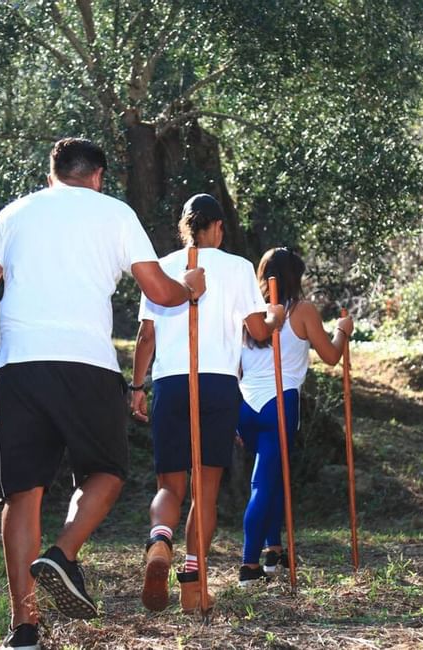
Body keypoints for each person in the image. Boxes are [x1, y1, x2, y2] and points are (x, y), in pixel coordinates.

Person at [0, 137, 206, 650]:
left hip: (19, 368)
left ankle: (24, 628)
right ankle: (63, 552)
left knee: (21, 493)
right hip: (86, 366)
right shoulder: (114, 213)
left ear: (52, 173)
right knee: (108, 473)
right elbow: (159, 292)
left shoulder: (15, 213)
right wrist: (190, 288)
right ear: (97, 175)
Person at [129, 194, 284, 614]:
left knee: (169, 485)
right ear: (216, 226)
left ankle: (160, 540)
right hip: (217, 383)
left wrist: (137, 386)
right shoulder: (236, 268)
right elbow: (258, 332)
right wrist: (275, 317)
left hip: (171, 382)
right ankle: (194, 584)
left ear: (184, 227)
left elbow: (147, 336)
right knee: (206, 488)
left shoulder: (160, 265)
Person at [235, 247, 353, 586]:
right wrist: (343, 330)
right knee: (263, 483)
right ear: (295, 277)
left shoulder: (248, 312)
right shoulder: (301, 311)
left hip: (246, 404)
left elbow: (237, 367)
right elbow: (330, 355)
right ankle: (248, 565)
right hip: (279, 402)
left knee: (271, 479)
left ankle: (273, 549)